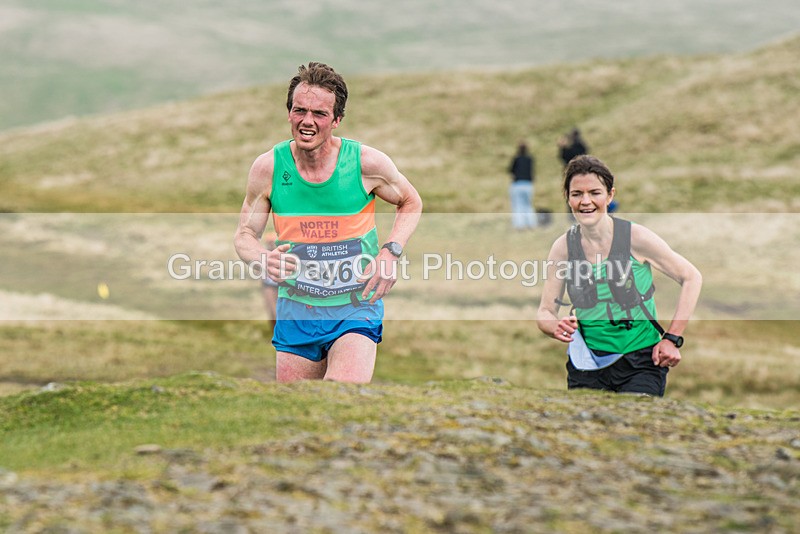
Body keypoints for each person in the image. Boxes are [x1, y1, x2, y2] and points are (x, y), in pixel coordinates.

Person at [234, 62, 422, 384]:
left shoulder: (365, 164)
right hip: (297, 311)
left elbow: (411, 201)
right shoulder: (268, 169)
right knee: (298, 416)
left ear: (336, 120)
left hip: (354, 307)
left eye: (319, 114)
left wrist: (390, 253)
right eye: (299, 110)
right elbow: (245, 235)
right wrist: (263, 260)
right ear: (289, 113)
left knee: (341, 398)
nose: (307, 121)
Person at [536, 155, 702, 396]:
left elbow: (691, 277)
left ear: (610, 195)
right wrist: (554, 326)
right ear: (568, 198)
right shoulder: (563, 248)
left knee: (636, 426)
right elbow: (544, 312)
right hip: (587, 364)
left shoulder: (636, 238)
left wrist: (672, 338)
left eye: (595, 193)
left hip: (640, 362)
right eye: (576, 194)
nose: (586, 202)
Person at [508, 142, 537, 230]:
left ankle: (519, 225)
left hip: (518, 184)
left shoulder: (516, 159)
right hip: (528, 184)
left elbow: (511, 171)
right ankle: (531, 223)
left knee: (518, 205)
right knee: (528, 205)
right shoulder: (530, 159)